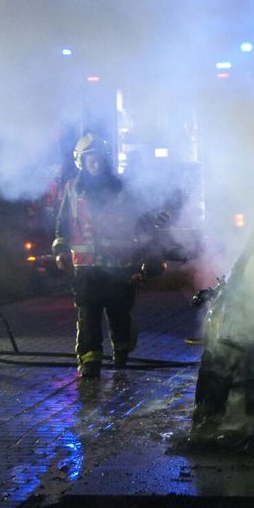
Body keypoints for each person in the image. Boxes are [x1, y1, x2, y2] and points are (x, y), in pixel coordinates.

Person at [52, 134, 164, 378]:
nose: (96, 162)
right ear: (81, 161)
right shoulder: (73, 188)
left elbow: (140, 222)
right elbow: (63, 224)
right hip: (86, 268)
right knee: (88, 316)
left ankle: (121, 355)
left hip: (119, 267)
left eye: (99, 157)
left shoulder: (122, 188)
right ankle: (90, 363)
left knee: (119, 316)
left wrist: (149, 251)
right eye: (90, 158)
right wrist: (60, 250)